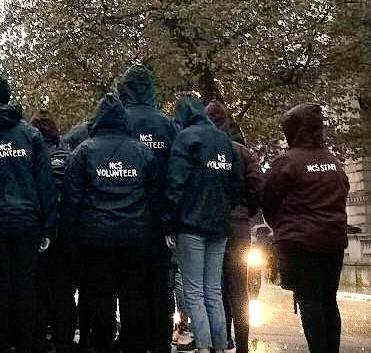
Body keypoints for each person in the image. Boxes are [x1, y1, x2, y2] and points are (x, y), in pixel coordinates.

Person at [62, 94, 158, 353]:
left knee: (100, 297)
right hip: (135, 235)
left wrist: (70, 238)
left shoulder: (84, 151)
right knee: (133, 297)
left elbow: (72, 199)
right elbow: (154, 196)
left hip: (95, 237)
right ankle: (133, 345)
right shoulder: (142, 152)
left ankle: (103, 344)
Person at [0, 75, 56, 353]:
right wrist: (47, 225)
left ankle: (1, 344)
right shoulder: (30, 134)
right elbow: (44, 183)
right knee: (25, 288)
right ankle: (25, 343)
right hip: (27, 222)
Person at [262, 103, 349, 353]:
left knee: (309, 301)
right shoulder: (333, 162)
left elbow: (269, 199)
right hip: (333, 240)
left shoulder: (287, 162)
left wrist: (281, 225)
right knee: (328, 301)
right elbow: (342, 191)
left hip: (300, 243)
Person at [164, 94, 243, 353]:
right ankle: (220, 347)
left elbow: (175, 184)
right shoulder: (224, 141)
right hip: (218, 226)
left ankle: (204, 347)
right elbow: (237, 185)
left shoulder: (186, 139)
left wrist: (170, 223)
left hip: (191, 225)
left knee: (194, 292)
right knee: (213, 292)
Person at [116, 64, 177, 353]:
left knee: (131, 285)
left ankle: (132, 338)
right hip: (160, 217)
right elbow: (176, 173)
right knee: (159, 282)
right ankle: (160, 338)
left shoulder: (121, 121)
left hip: (127, 215)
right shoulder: (166, 124)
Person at [205, 101, 263, 353]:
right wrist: (247, 213)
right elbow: (257, 189)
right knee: (239, 288)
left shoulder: (202, 152)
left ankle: (221, 339)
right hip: (239, 225)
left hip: (211, 225)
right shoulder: (243, 153)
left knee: (213, 287)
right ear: (227, 123)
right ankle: (241, 343)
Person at [31, 113, 75, 353]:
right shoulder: (70, 156)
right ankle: (65, 340)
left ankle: (40, 337)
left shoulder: (34, 157)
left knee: (39, 287)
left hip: (40, 228)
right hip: (65, 229)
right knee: (65, 288)